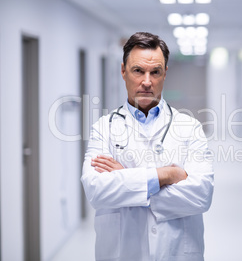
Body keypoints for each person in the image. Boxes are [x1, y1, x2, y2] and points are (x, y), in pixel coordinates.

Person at [81, 32, 214, 261]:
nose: (146, 81)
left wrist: (127, 180)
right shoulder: (103, 128)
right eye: (138, 70)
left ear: (165, 73)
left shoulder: (190, 127)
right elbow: (96, 191)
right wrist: (166, 175)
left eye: (155, 72)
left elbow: (201, 195)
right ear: (123, 71)